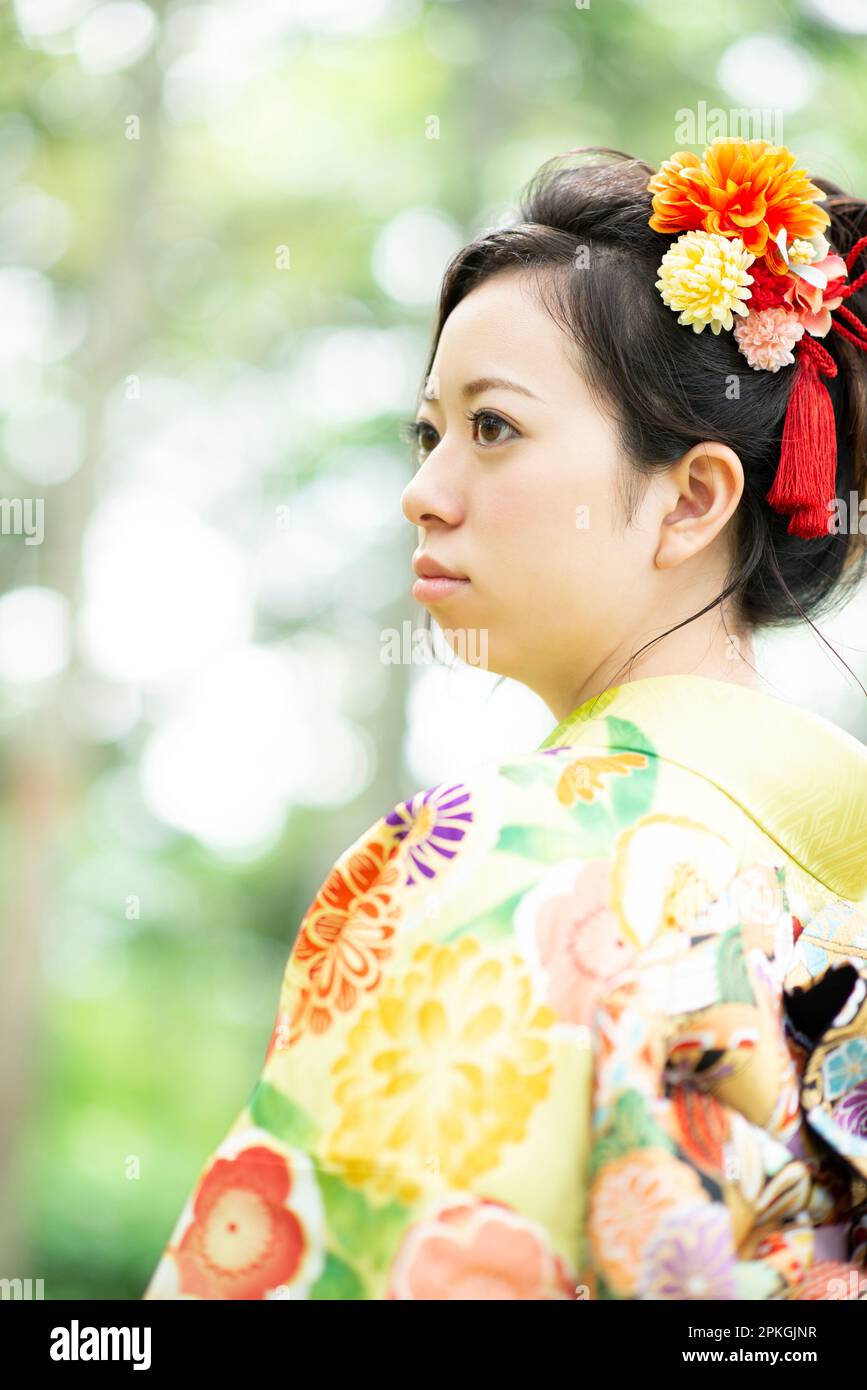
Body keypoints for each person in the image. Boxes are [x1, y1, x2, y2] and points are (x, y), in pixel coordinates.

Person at [143, 140, 867, 1301]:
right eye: (428, 433)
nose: (422, 490)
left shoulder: (500, 860)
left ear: (688, 502)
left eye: (493, 428)